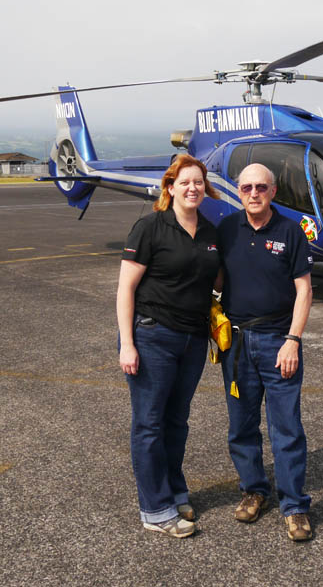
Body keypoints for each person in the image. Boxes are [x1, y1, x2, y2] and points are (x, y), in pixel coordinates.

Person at [116, 154, 221, 538]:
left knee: (177, 422)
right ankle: (155, 509)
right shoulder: (150, 227)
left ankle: (176, 492)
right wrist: (127, 343)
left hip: (192, 340)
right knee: (149, 424)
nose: (192, 188)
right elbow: (126, 288)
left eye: (198, 182)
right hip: (152, 335)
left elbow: (219, 282)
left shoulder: (210, 232)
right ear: (171, 187)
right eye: (185, 182)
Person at [216, 163, 315, 542]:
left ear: (273, 191)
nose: (253, 193)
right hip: (237, 345)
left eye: (261, 187)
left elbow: (304, 291)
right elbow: (216, 276)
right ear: (238, 192)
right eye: (246, 188)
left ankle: (294, 506)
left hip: (278, 342)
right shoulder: (227, 229)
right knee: (241, 425)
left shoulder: (290, 230)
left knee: (286, 428)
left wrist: (293, 339)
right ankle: (254, 490)